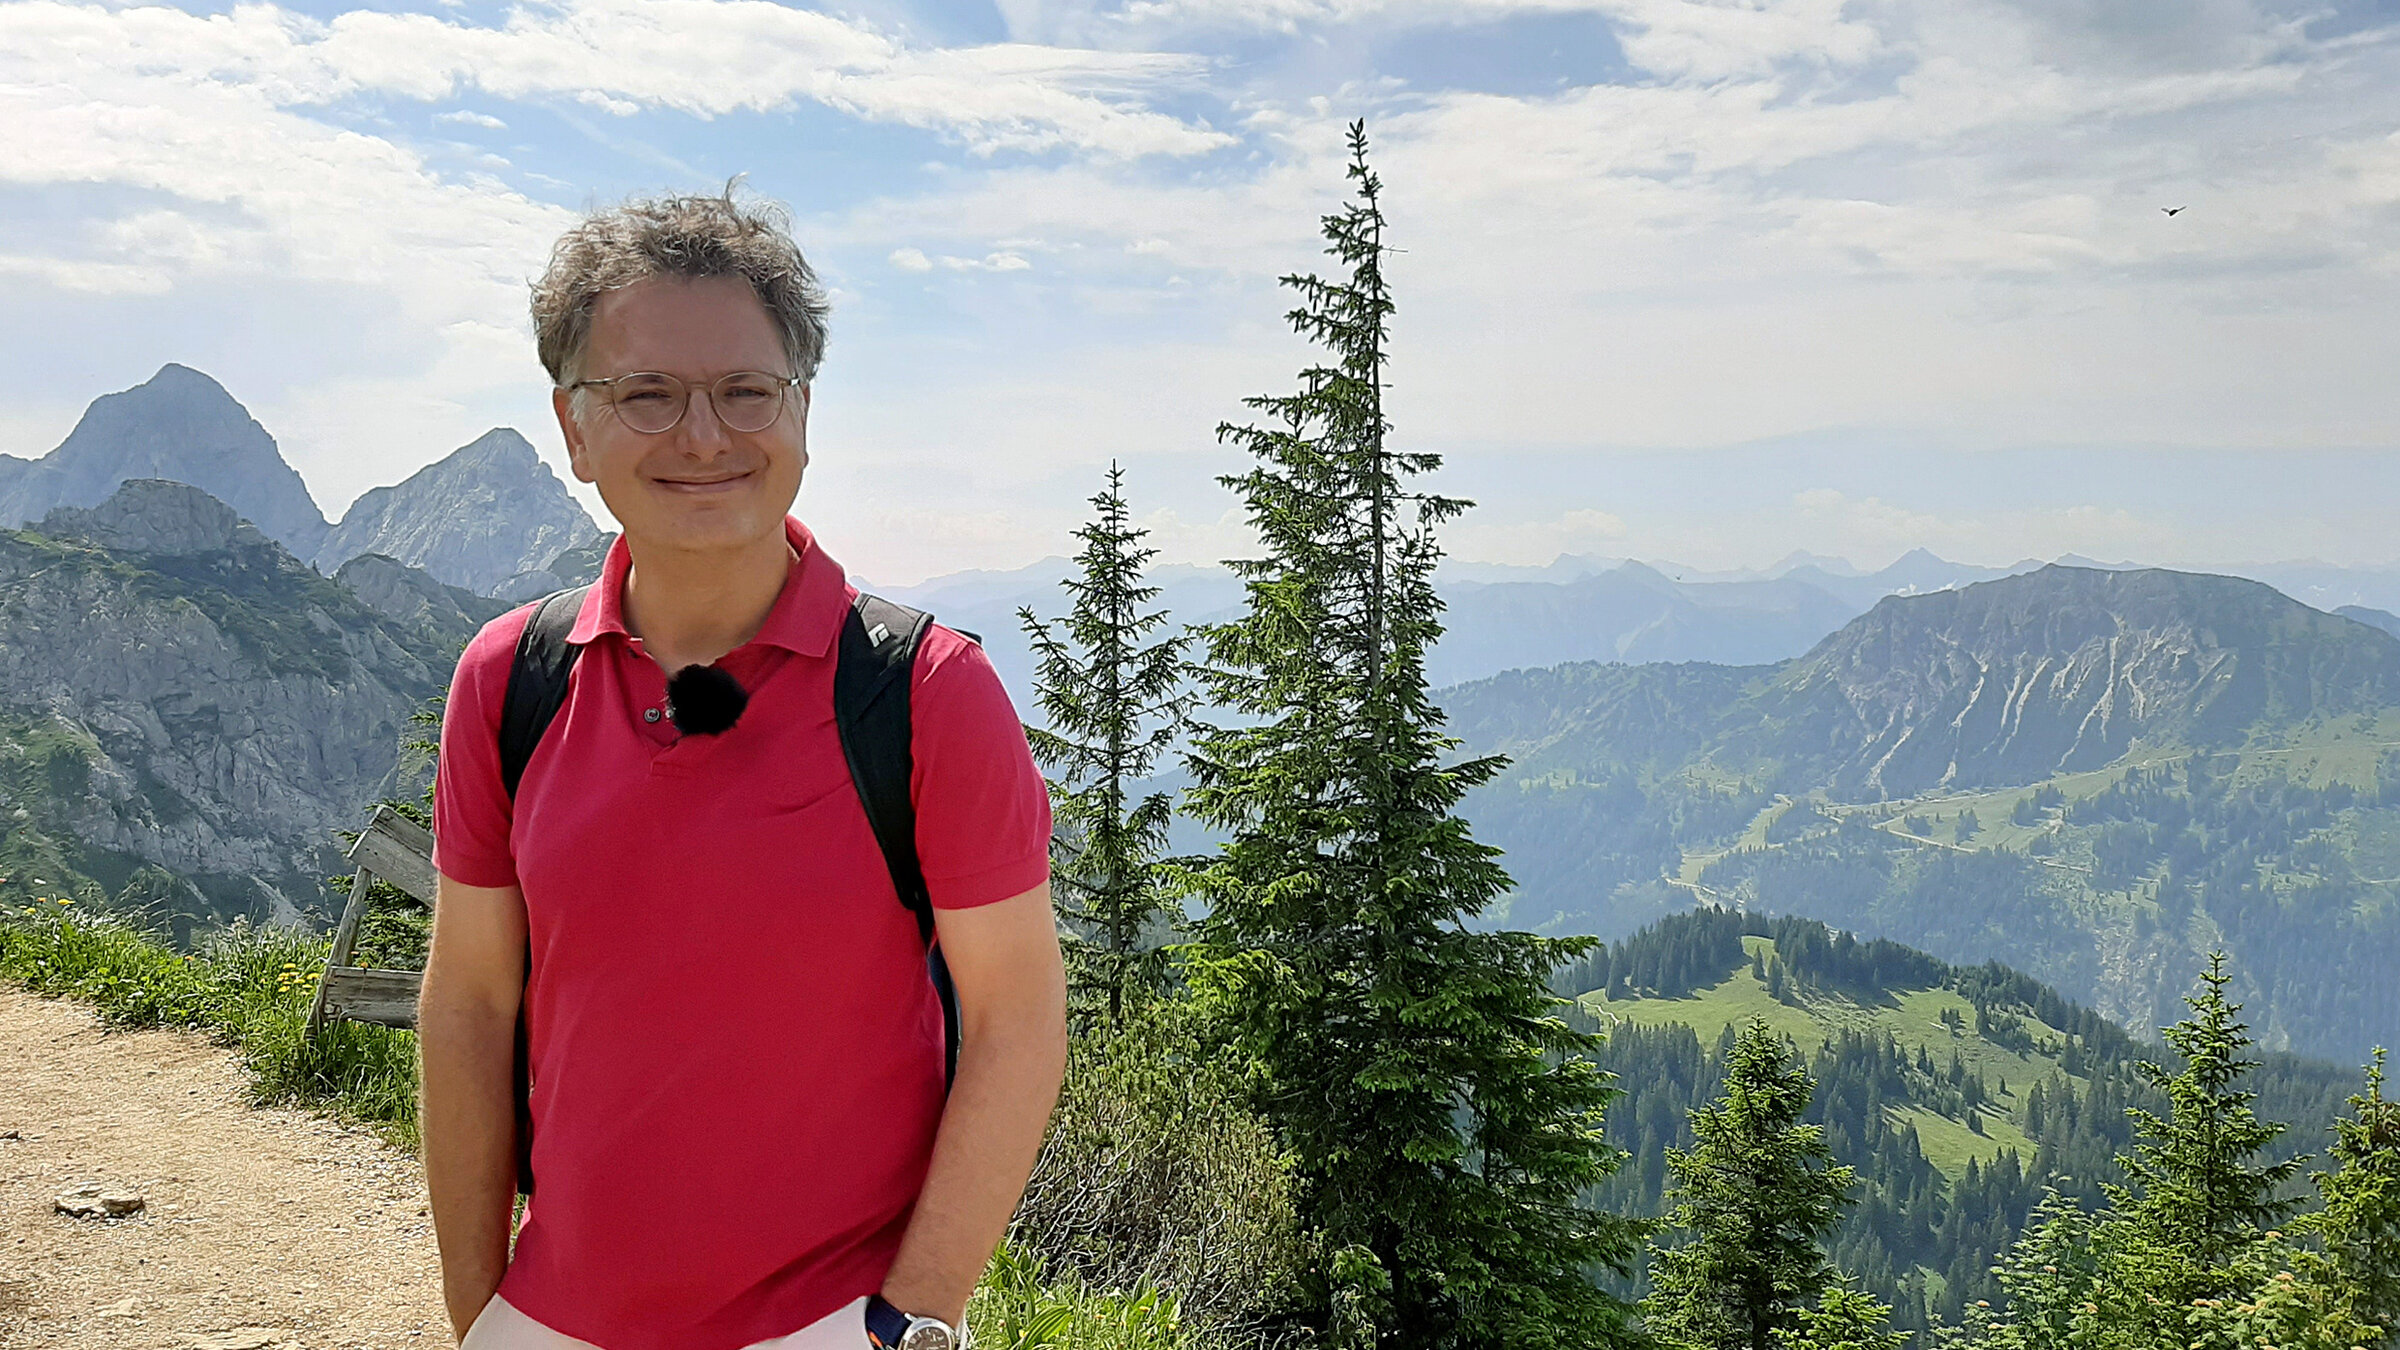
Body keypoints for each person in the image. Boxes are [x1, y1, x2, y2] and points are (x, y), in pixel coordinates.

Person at [417, 189, 1067, 1350]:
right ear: (574, 429)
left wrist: (908, 1322)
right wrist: (481, 1314)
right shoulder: (508, 682)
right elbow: (468, 1002)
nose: (705, 437)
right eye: (646, 395)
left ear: (803, 413)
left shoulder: (923, 696)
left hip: (834, 1325)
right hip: (547, 1317)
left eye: (746, 391)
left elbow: (1017, 1017)